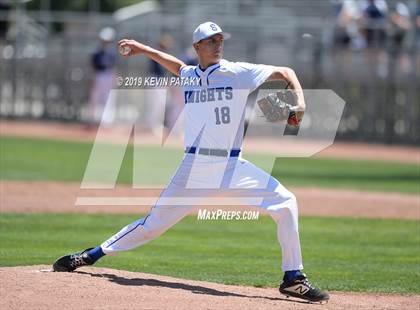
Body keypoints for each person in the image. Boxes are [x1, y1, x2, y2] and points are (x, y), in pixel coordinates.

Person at [53, 22, 329, 303]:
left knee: (286, 203)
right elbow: (175, 65)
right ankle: (90, 255)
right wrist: (143, 49)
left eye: (220, 39)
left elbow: (285, 72)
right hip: (195, 167)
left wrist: (299, 101)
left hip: (233, 167)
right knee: (153, 225)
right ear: (197, 47)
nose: (218, 44)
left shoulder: (236, 72)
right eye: (211, 40)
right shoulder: (190, 75)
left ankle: (293, 277)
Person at [87, 27, 117, 128]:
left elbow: (113, 67)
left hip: (108, 75)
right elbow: (94, 67)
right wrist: (93, 78)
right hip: (99, 75)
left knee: (107, 99)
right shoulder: (97, 53)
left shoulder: (112, 53)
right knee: (94, 98)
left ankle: (105, 121)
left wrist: (114, 78)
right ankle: (91, 119)